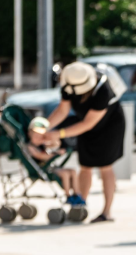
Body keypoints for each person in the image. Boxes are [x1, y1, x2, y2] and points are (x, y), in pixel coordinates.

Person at [46, 62, 125, 223]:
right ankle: (80, 207)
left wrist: (59, 134)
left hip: (109, 126)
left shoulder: (103, 89)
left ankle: (106, 212)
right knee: (85, 165)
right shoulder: (70, 83)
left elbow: (88, 123)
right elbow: (62, 110)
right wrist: (44, 127)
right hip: (85, 126)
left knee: (105, 166)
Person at [28, 116, 82, 208]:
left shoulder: (43, 145)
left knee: (73, 171)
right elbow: (40, 156)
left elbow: (57, 144)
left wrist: (48, 138)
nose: (38, 138)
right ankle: (68, 196)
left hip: (51, 167)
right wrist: (55, 154)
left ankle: (77, 195)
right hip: (42, 170)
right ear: (30, 134)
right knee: (65, 174)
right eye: (36, 136)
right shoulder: (30, 147)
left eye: (41, 135)